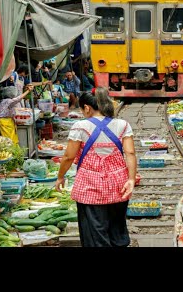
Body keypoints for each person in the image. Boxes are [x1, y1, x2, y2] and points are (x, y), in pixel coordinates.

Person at [54, 87, 137, 247]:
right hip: (118, 184)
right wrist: (131, 179)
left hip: (89, 185)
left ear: (87, 108)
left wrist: (60, 176)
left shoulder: (80, 127)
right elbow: (130, 153)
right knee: (117, 226)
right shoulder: (123, 125)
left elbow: (69, 156)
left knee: (95, 230)